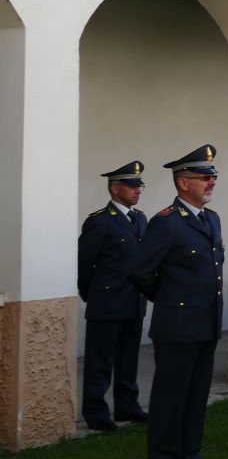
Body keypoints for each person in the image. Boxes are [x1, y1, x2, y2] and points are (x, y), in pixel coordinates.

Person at [131, 145, 225, 459]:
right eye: (204, 177)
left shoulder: (210, 219)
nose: (211, 182)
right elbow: (141, 270)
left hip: (206, 322)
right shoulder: (166, 223)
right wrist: (168, 299)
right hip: (178, 324)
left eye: (213, 177)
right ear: (183, 183)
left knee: (197, 393)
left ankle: (190, 453)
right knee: (171, 395)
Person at [76, 160, 149, 432]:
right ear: (115, 189)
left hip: (134, 300)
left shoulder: (140, 219)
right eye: (132, 185)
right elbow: (85, 263)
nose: (138, 189)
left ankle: (127, 405)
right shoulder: (100, 221)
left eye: (140, 185)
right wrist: (91, 294)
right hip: (106, 302)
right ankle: (96, 412)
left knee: (129, 358)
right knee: (100, 360)